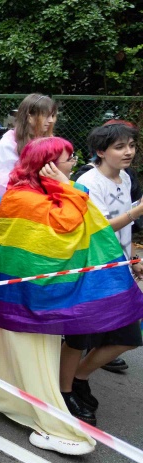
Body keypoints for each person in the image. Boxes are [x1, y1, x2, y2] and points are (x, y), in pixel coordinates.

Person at [0, 136, 143, 456]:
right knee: (18, 355)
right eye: (67, 158)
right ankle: (37, 416)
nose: (72, 163)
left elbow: (83, 221)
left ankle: (9, 401)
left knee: (33, 358)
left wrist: (65, 185)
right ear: (47, 165)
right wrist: (69, 186)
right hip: (21, 298)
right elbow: (74, 222)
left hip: (37, 298)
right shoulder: (23, 196)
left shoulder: (43, 191)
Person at [59, 123, 142, 423]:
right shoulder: (89, 182)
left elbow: (126, 228)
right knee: (79, 337)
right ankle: (65, 392)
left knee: (129, 336)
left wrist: (132, 259)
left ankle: (79, 378)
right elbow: (99, 229)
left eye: (131, 145)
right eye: (120, 147)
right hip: (90, 270)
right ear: (100, 151)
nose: (129, 151)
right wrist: (137, 211)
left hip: (118, 269)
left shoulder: (126, 178)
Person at [0, 93, 57, 220]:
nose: (51, 120)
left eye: (53, 116)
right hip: (10, 209)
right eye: (47, 116)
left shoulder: (49, 140)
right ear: (29, 116)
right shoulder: (10, 141)